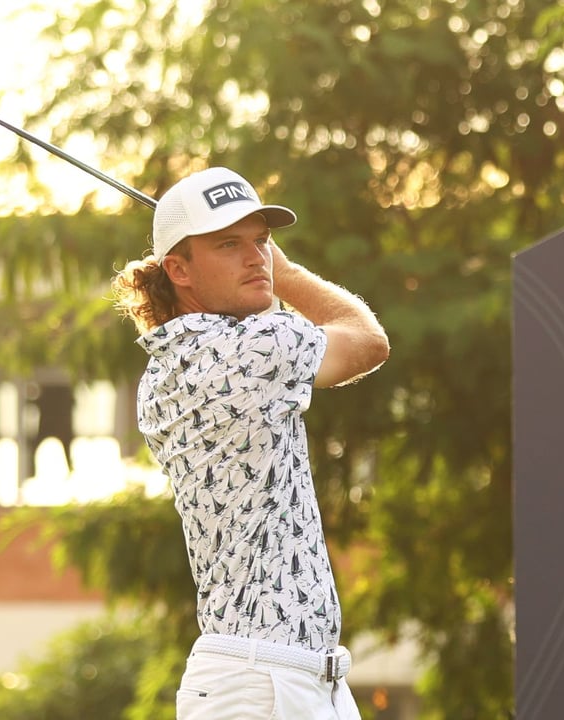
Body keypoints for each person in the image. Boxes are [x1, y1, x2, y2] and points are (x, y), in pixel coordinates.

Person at [112, 166, 390, 719]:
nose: (256, 257)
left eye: (261, 241)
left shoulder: (167, 366)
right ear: (179, 269)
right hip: (264, 682)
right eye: (229, 244)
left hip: (280, 677)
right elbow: (368, 340)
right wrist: (287, 273)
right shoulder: (249, 349)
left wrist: (259, 267)